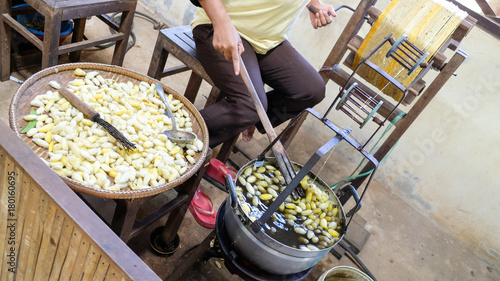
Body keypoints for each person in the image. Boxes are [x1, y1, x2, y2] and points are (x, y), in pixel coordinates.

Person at [190, 0, 336, 148]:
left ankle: (251, 118)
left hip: (268, 41)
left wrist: (314, 3)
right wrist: (222, 24)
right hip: (224, 27)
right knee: (249, 106)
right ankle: (176, 137)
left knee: (311, 91)